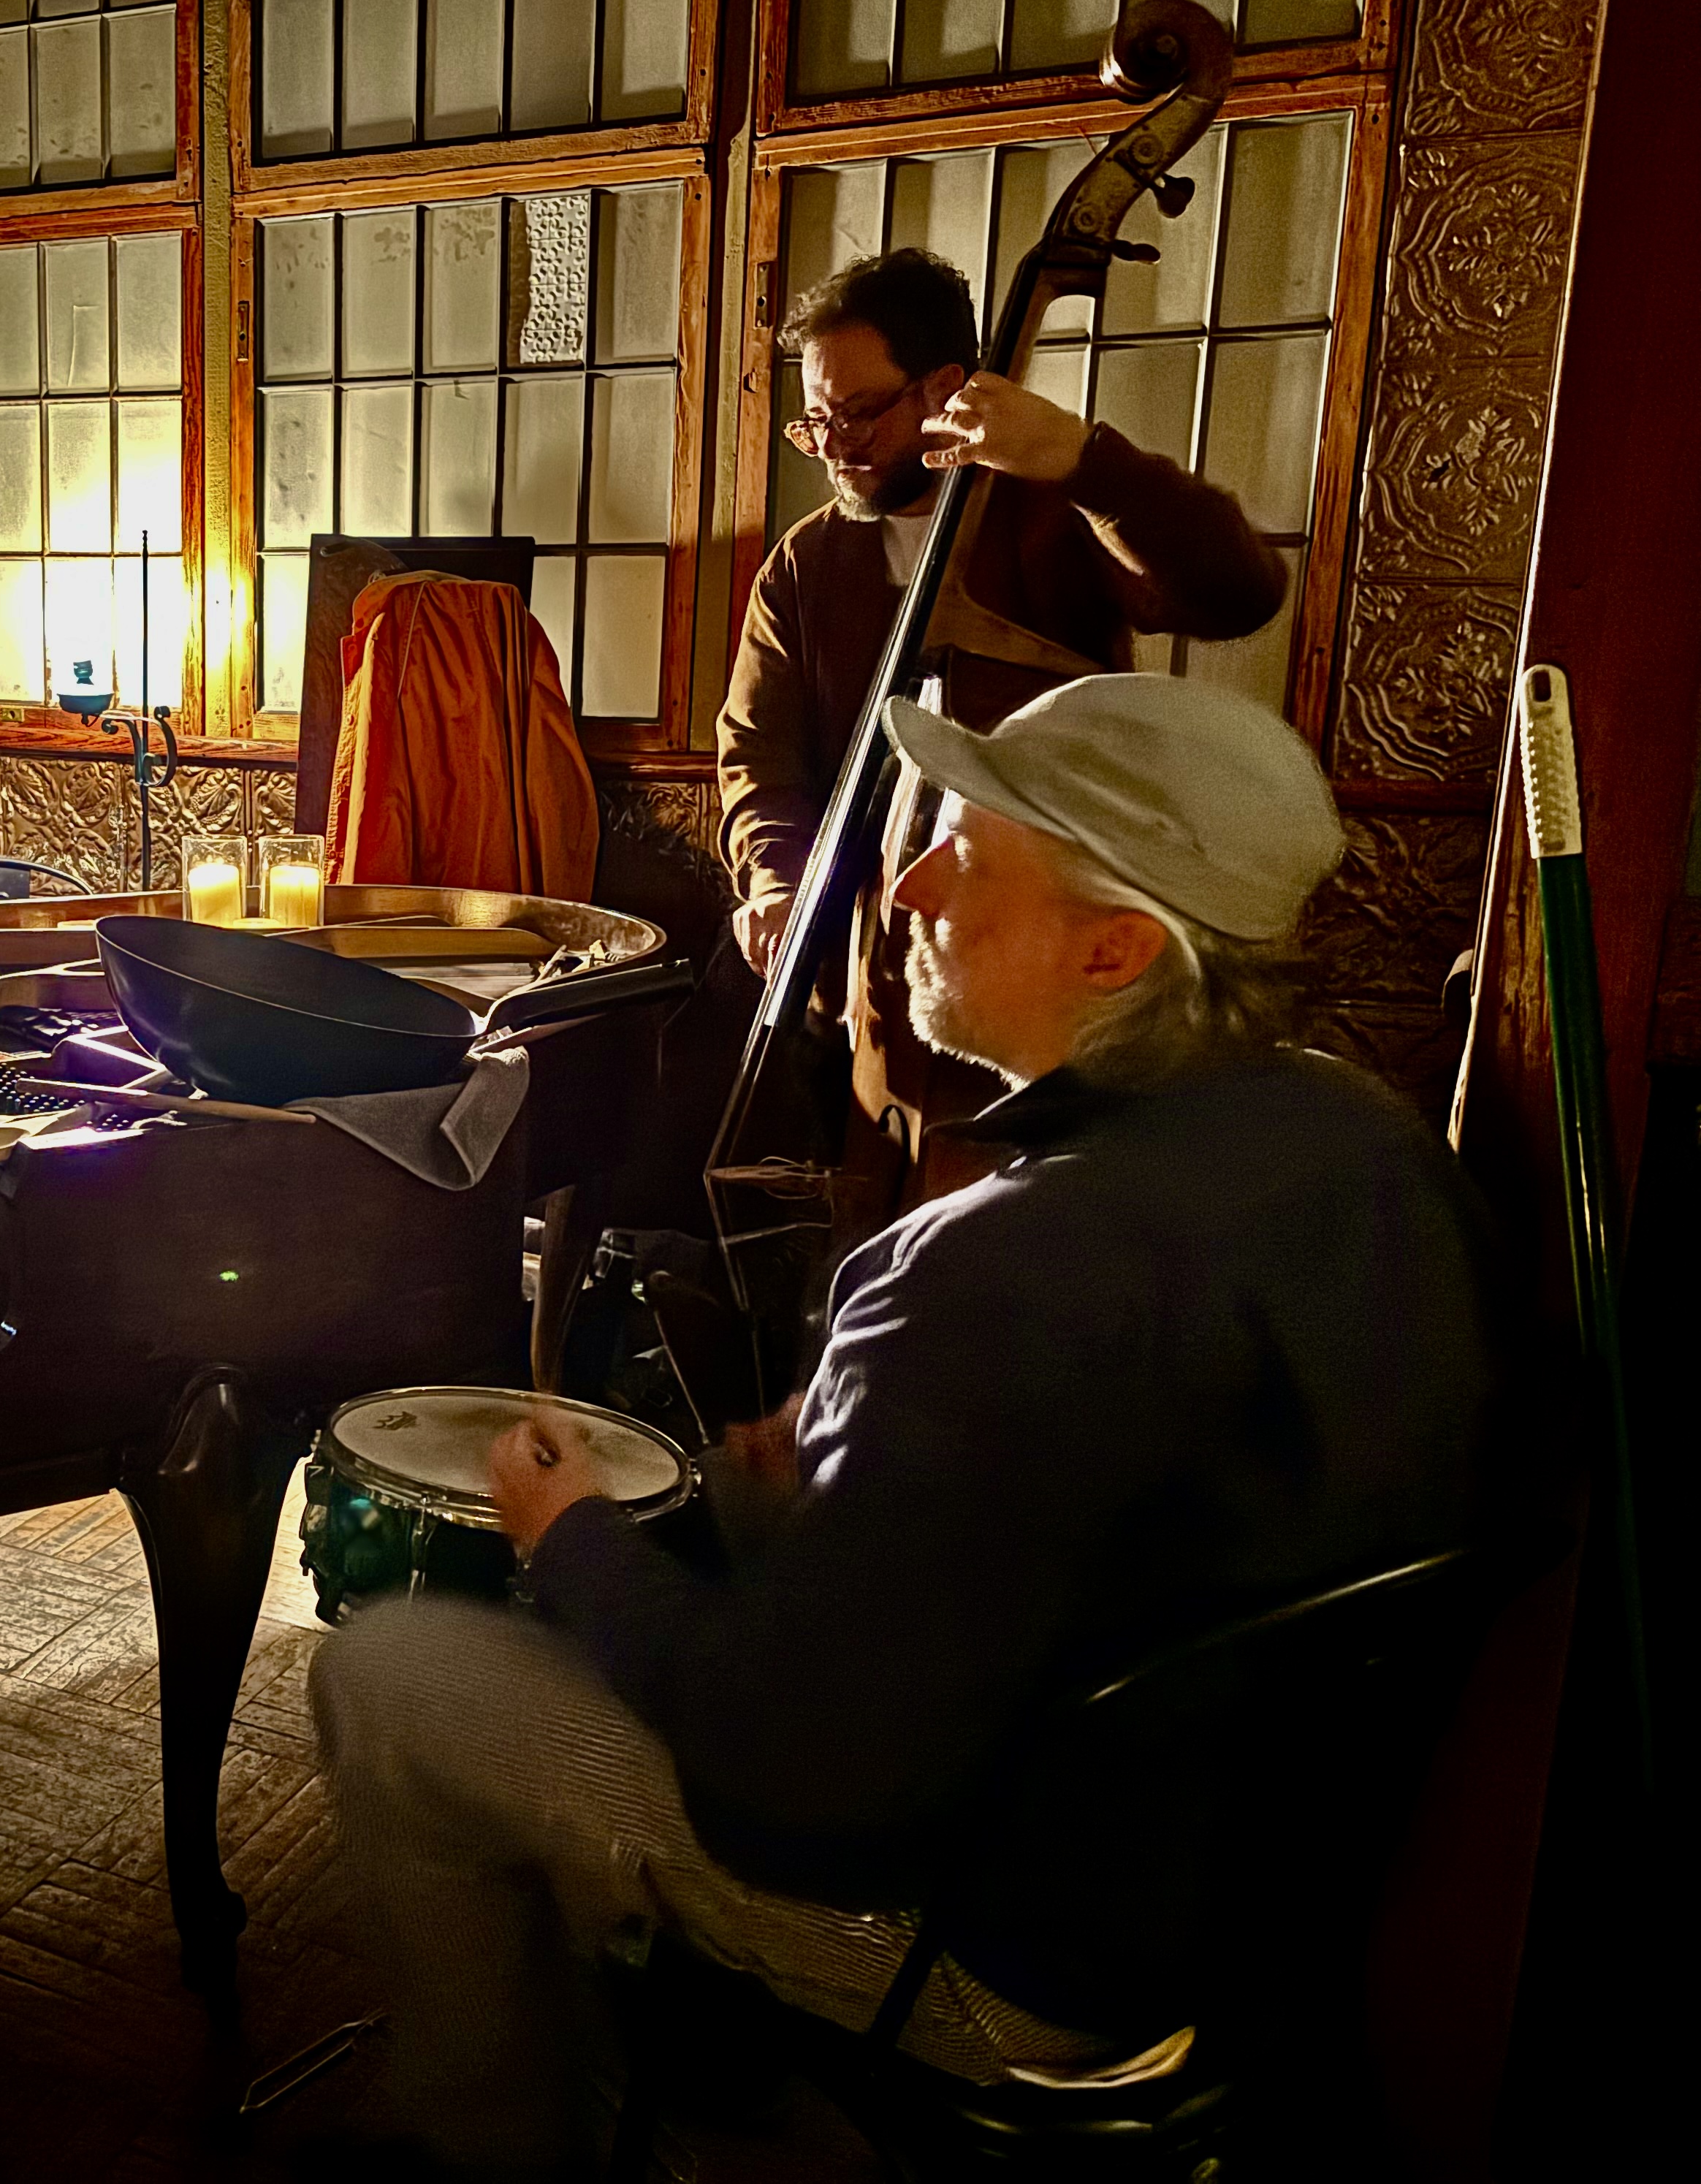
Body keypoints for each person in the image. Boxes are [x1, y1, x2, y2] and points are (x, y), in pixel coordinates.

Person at [312, 674, 1497, 2180]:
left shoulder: (1000, 1268)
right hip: (1249, 1868)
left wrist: (578, 1542)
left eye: (969, 851)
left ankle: (481, 2144)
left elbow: (791, 1773)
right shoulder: (1366, 1136)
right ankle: (697, 2050)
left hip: (1005, 1942)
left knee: (403, 1676)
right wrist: (865, 1479)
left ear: (1115, 947)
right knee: (732, 1516)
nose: (912, 884)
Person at [715, 248, 1289, 1187]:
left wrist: (1084, 460)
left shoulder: (1052, 512)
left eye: (860, 411)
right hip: (874, 971)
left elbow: (1236, 596)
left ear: (944, 386)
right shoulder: (806, 563)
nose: (837, 444)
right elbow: (759, 756)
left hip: (1047, 964)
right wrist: (779, 883)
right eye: (816, 421)